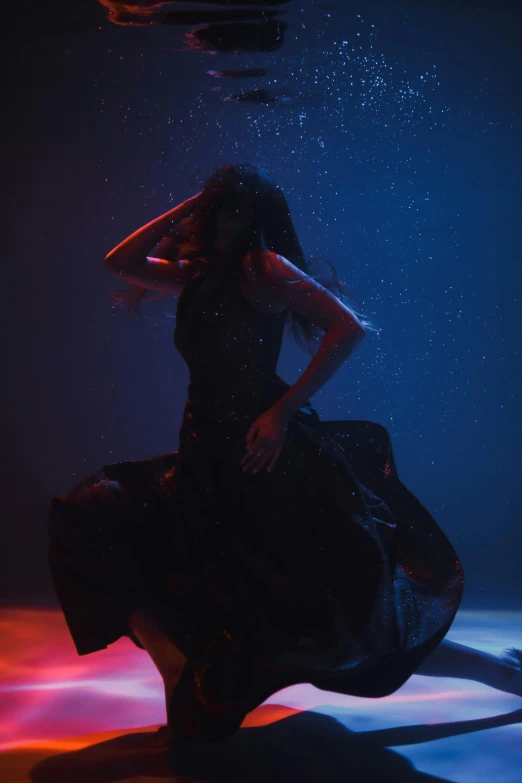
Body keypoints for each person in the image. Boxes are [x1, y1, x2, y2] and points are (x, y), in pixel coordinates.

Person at [47, 163, 521, 746]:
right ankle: (181, 676)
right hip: (206, 452)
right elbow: (117, 263)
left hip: (265, 454)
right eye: (220, 209)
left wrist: (282, 412)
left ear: (258, 218)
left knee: (339, 616)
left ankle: (505, 673)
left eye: (239, 209)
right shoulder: (197, 273)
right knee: (102, 520)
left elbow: (347, 329)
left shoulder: (261, 268)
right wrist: (192, 202)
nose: (227, 221)